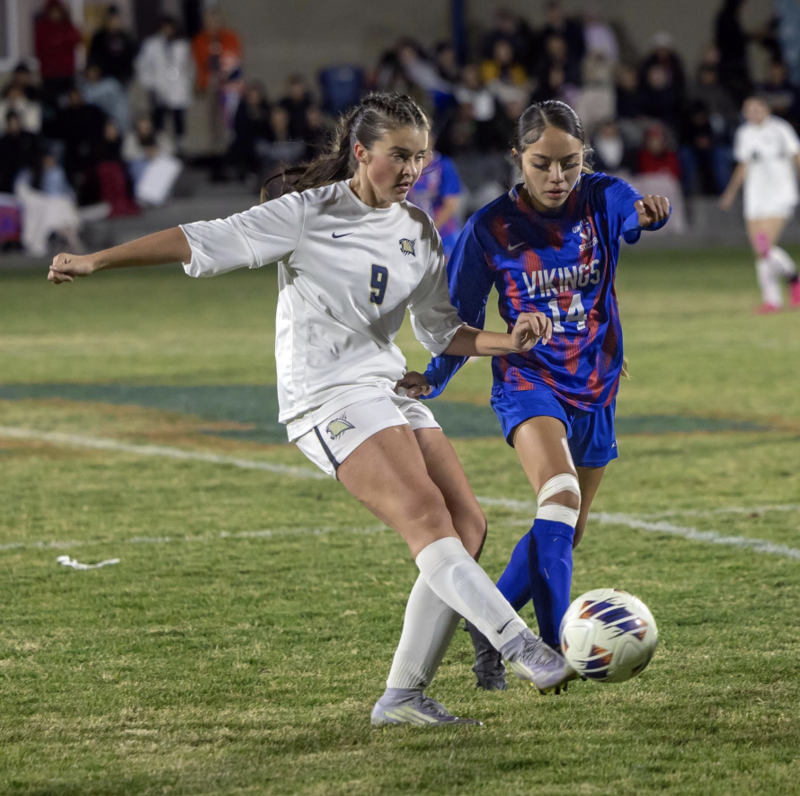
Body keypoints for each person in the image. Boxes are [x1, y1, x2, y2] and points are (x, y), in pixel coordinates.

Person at [46, 92, 574, 725]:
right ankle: (519, 644)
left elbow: (439, 331)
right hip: (325, 395)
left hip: (384, 387)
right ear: (360, 152)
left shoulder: (417, 229)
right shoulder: (308, 213)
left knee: (468, 524)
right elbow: (198, 240)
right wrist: (96, 259)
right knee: (426, 515)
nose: (410, 171)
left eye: (420, 158)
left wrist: (502, 340)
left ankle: (403, 695)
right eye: (397, 156)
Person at [396, 100, 670, 689]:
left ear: (584, 160)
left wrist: (646, 217)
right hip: (530, 381)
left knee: (567, 528)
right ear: (517, 157)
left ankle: (487, 618)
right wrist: (435, 377)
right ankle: (551, 655)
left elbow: (629, 216)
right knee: (560, 493)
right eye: (542, 163)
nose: (557, 177)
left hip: (596, 384)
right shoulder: (490, 227)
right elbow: (460, 318)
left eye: (569, 163)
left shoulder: (600, 196)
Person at [720, 95, 800, 312]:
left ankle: (792, 282)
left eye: (756, 108)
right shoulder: (744, 133)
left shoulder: (781, 129)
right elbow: (743, 165)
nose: (752, 113)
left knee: (765, 245)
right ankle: (774, 299)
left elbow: (796, 156)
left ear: (766, 109)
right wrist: (730, 193)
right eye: (748, 110)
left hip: (780, 194)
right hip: (755, 197)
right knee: (760, 250)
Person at [136, 16, 194, 152]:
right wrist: (150, 85)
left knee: (178, 118)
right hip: (159, 87)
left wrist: (188, 82)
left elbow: (190, 66)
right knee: (159, 118)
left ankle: (180, 146)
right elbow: (142, 65)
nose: (168, 30)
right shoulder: (151, 45)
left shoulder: (183, 45)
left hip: (178, 87)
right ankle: (160, 145)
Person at [407, 135, 463, 260]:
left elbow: (451, 205)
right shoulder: (406, 168)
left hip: (444, 233)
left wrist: (429, 231)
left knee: (447, 275)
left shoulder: (443, 166)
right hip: (413, 235)